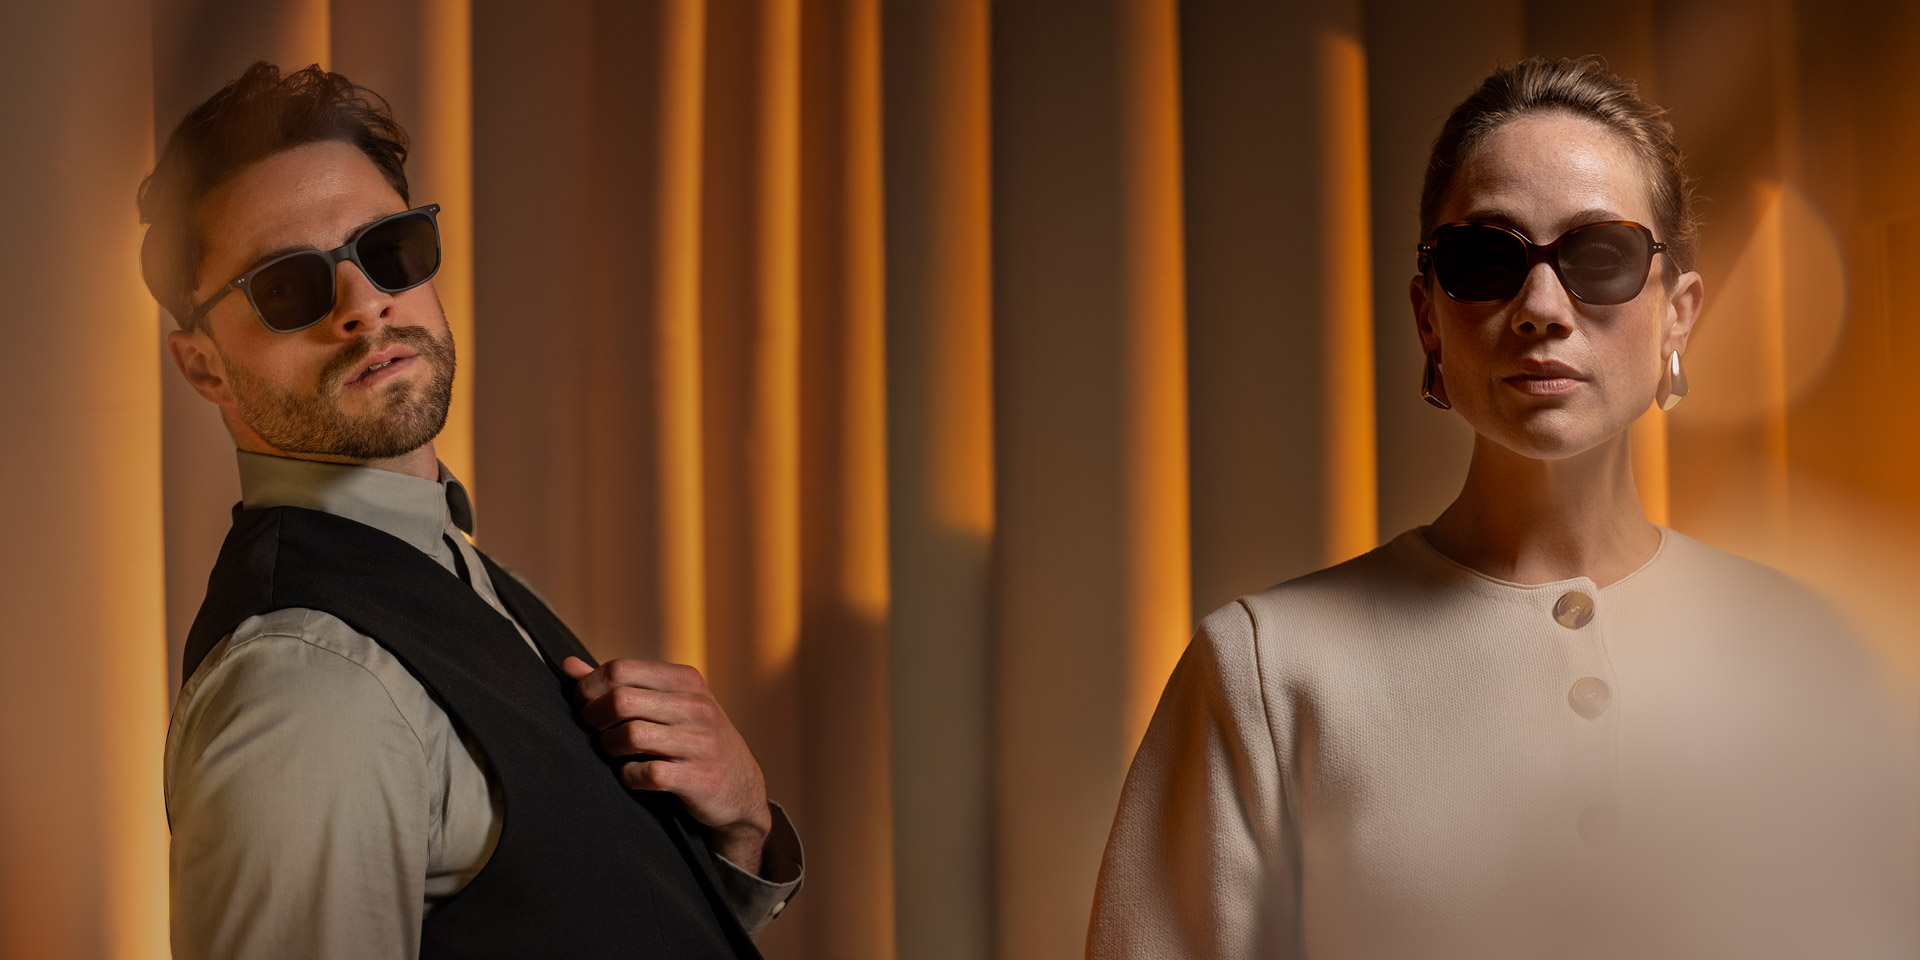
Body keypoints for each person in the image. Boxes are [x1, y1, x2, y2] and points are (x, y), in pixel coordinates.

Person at [1088, 57, 1909, 958]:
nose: (1541, 309)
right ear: (1428, 318)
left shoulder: (1810, 658)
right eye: (1486, 260)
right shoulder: (1267, 673)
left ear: (1679, 314)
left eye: (1600, 255)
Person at [147, 62, 801, 959]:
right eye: (288, 285)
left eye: (387, 248)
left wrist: (742, 831)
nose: (365, 304)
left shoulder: (444, 562)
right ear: (204, 366)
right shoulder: (305, 691)